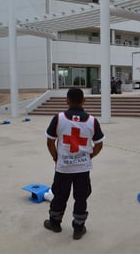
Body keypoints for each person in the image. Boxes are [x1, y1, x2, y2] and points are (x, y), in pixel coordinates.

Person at [44, 87, 105, 240]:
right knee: (81, 197)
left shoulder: (58, 118)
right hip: (83, 168)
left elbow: (50, 141)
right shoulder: (92, 121)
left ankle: (55, 223)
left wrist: (55, 157)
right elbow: (99, 144)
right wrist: (90, 156)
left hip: (63, 167)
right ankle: (78, 228)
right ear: (84, 101)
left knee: (59, 196)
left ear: (67, 100)